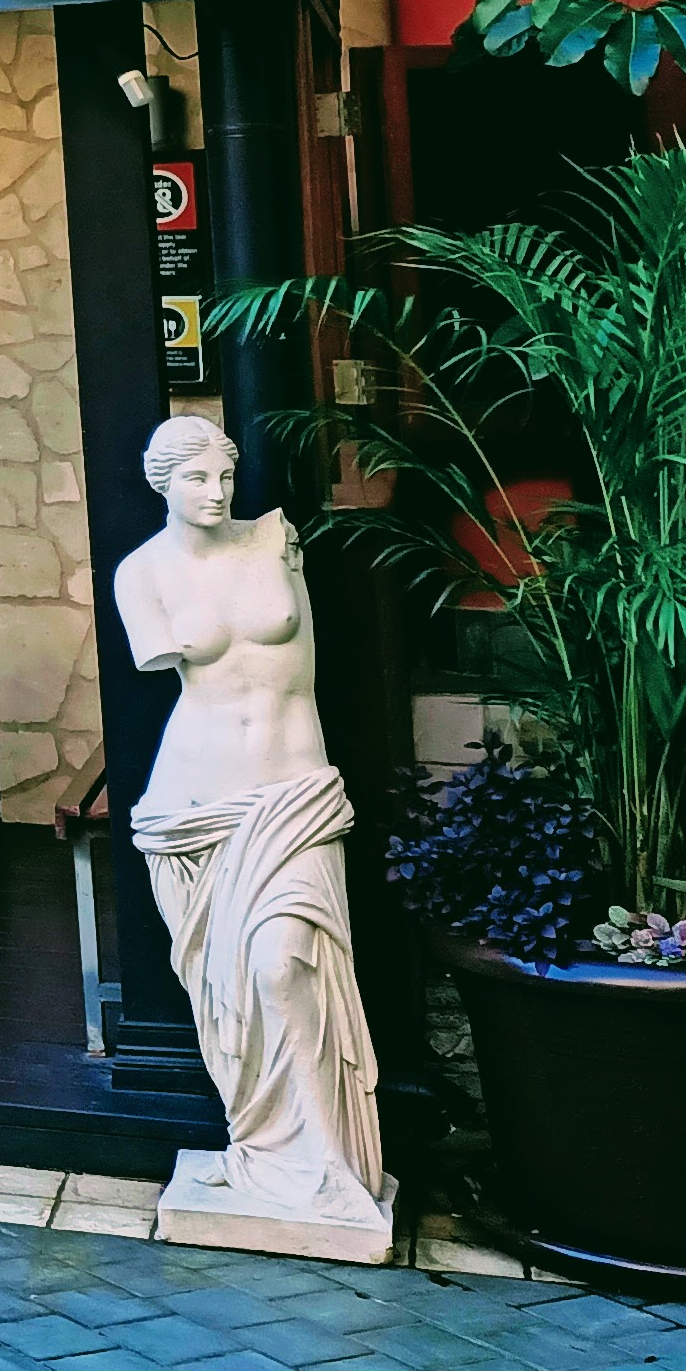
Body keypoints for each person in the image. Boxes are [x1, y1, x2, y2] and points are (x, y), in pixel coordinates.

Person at [114, 417, 391, 1248]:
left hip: (291, 790)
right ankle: (264, 1149)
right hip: (195, 802)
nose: (217, 492)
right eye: (197, 479)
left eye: (224, 477)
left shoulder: (277, 541)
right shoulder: (141, 573)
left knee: (281, 969)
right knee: (228, 994)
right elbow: (161, 663)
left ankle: (331, 1170)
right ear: (162, 482)